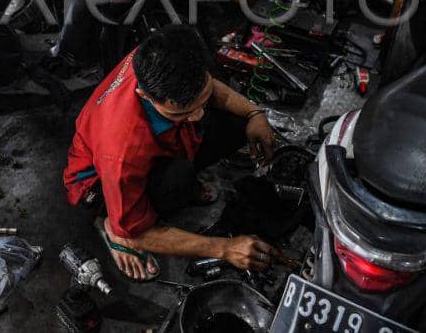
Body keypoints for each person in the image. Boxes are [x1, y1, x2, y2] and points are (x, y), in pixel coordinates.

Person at [63, 25, 281, 281]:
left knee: (235, 123)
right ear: (144, 95)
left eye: (202, 99)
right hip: (98, 182)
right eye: (182, 112)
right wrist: (225, 248)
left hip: (150, 145)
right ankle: (111, 224)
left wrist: (254, 113)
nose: (198, 115)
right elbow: (141, 233)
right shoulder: (121, 150)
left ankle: (169, 183)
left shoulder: (161, 57)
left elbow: (205, 94)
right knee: (170, 187)